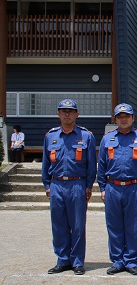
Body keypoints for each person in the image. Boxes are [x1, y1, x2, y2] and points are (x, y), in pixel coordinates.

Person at [98, 103, 137, 276]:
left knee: (132, 226)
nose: (123, 119)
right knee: (114, 226)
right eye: (120, 116)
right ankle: (117, 260)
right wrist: (102, 188)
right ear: (115, 119)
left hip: (134, 188)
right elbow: (101, 165)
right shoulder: (107, 139)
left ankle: (131, 260)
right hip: (112, 187)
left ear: (132, 118)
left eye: (126, 116)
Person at [42, 99, 97, 275]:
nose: (67, 114)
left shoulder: (86, 136)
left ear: (76, 114)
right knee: (58, 224)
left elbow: (91, 165)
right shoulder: (50, 136)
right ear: (58, 114)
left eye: (70, 111)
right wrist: (47, 184)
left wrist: (88, 185)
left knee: (78, 225)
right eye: (63, 111)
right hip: (57, 183)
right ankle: (62, 259)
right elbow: (45, 163)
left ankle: (78, 261)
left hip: (77, 184)